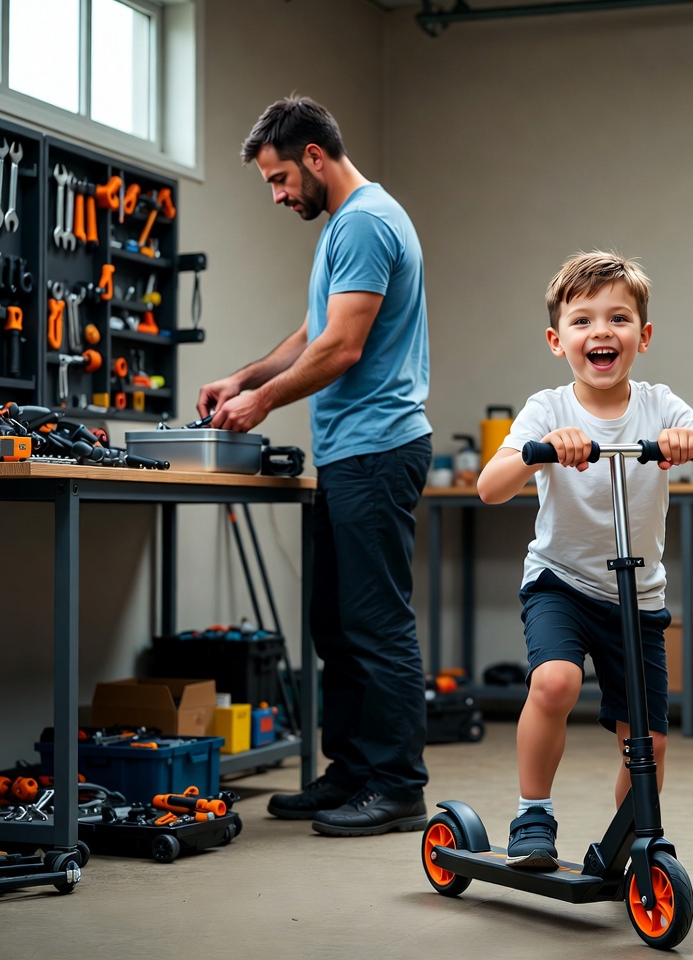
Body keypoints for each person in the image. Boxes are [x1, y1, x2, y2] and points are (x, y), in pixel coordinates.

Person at [197, 95, 432, 837]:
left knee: (376, 625)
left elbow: (343, 349)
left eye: (279, 179)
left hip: (376, 449)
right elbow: (312, 334)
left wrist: (263, 403)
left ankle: (397, 788)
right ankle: (352, 773)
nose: (277, 196)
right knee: (335, 624)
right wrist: (242, 378)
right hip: (347, 454)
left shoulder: (364, 221)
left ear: (315, 158)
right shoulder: (345, 227)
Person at [477, 250, 693, 868]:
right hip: (561, 581)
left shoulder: (660, 406)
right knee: (555, 681)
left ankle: (629, 841)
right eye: (582, 321)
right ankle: (533, 816)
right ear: (557, 341)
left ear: (643, 337)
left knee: (648, 737)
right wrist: (538, 450)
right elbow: (489, 487)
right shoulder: (548, 409)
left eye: (619, 319)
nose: (601, 332)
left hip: (639, 594)